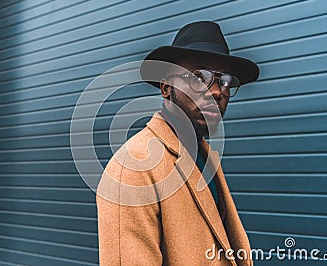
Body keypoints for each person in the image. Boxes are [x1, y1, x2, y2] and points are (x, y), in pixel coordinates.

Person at [96, 21, 259, 266]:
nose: (217, 91)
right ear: (166, 87)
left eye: (225, 81)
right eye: (200, 77)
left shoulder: (203, 156)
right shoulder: (133, 167)